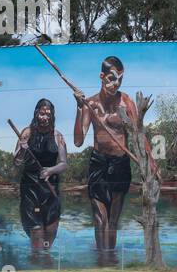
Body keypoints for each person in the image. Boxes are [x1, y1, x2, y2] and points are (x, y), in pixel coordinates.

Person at [73, 55, 138, 255]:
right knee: (100, 218)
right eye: (111, 78)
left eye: (119, 79)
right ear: (102, 76)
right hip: (98, 164)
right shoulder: (90, 103)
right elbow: (78, 140)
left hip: (121, 164)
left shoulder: (126, 102)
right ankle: (102, 260)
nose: (115, 83)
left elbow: (137, 135)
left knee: (112, 220)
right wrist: (79, 107)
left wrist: (150, 164)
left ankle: (109, 260)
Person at [14, 98, 67, 253]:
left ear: (53, 116)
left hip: (51, 190)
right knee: (36, 233)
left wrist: (50, 170)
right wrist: (23, 149)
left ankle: (45, 263)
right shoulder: (26, 133)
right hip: (30, 189)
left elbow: (64, 163)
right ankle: (36, 261)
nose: (45, 117)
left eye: (48, 114)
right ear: (36, 113)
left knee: (49, 237)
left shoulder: (58, 136)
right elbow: (17, 162)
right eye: (42, 113)